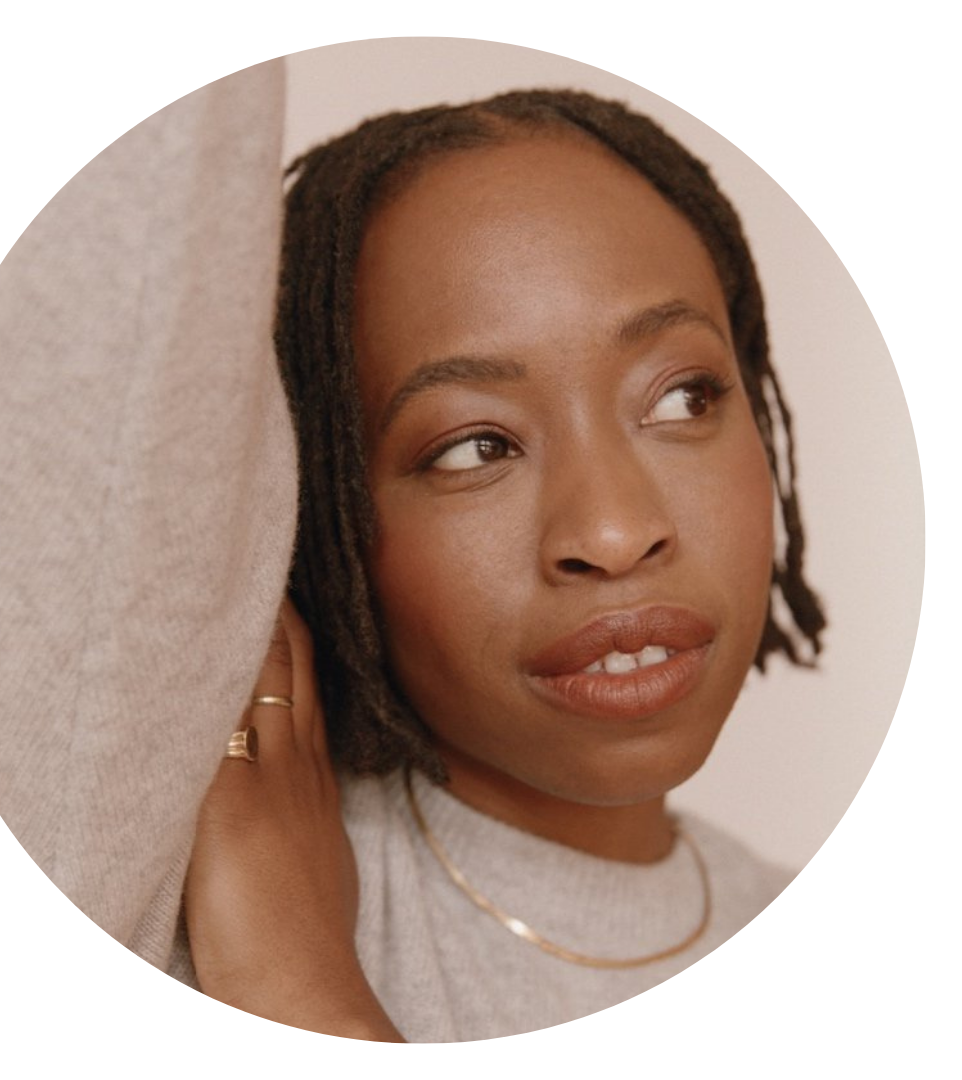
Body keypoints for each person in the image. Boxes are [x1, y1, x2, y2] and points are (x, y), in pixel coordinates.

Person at [183, 89, 826, 1042]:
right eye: (475, 448)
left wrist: (292, 986)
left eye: (683, 396)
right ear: (329, 518)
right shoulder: (189, 907)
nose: (613, 533)